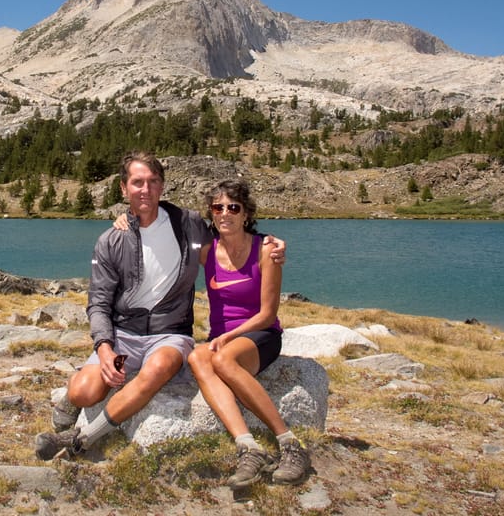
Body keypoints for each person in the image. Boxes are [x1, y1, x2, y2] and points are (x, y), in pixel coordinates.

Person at [34, 152, 285, 461]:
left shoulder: (188, 224)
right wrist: (105, 348)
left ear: (162, 186)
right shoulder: (111, 240)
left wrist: (270, 242)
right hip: (125, 334)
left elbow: (232, 238)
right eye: (137, 182)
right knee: (85, 392)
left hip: (169, 333)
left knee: (158, 368)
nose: (146, 189)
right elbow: (98, 302)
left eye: (153, 182)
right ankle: (72, 392)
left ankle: (82, 438)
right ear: (124, 188)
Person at [189, 179, 310, 488]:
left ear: (246, 213)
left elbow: (268, 314)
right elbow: (166, 225)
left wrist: (230, 337)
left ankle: (290, 444)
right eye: (218, 208)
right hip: (221, 339)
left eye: (233, 207)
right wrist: (127, 218)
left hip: (260, 334)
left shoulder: (266, 250)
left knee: (223, 359)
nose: (224, 213)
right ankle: (249, 447)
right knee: (196, 358)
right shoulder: (207, 251)